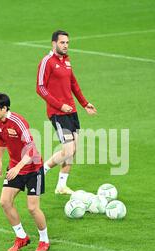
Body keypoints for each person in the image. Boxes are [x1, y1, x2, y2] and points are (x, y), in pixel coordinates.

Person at [36, 30, 97, 195]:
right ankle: (41, 171)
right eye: (62, 42)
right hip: (58, 113)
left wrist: (85, 104)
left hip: (72, 111)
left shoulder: (67, 61)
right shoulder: (47, 62)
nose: (66, 46)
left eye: (67, 43)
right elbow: (40, 88)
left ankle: (61, 186)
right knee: (68, 151)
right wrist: (59, 105)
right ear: (54, 43)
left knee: (73, 150)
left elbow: (73, 83)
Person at [0, 92, 50, 251]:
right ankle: (22, 237)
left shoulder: (18, 122)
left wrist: (17, 168)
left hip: (33, 168)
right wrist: (0, 160)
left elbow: (31, 150)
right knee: (5, 202)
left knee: (32, 208)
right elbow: (2, 140)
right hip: (16, 167)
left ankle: (44, 240)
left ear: (4, 108)